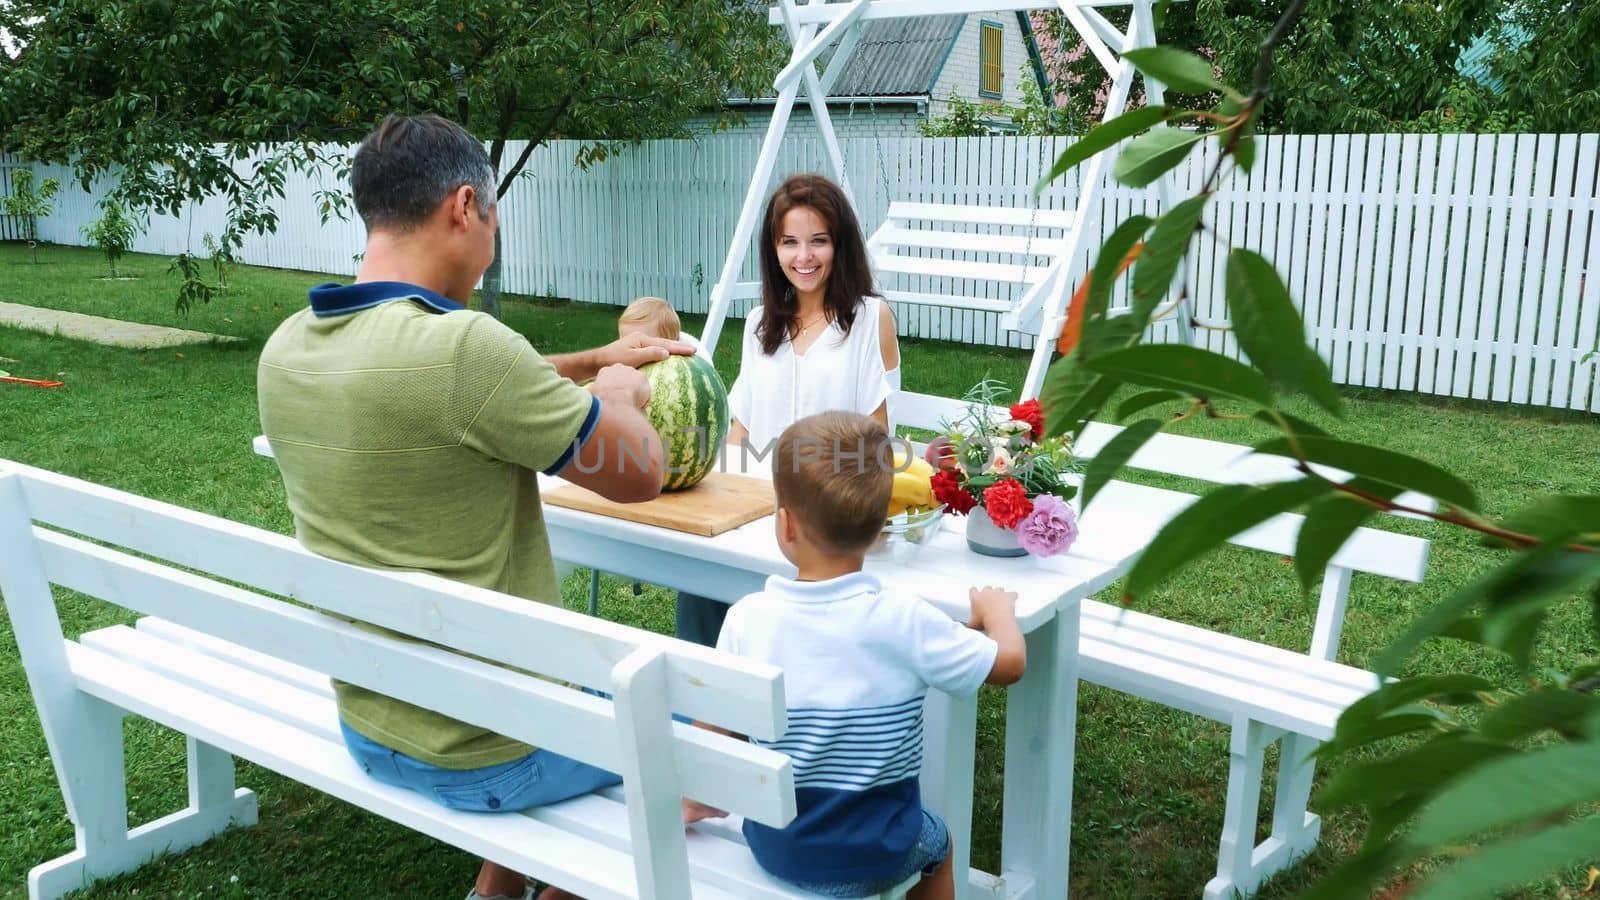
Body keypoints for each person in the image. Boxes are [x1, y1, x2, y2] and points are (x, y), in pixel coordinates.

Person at [257, 113, 694, 900]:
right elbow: (643, 471)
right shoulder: (465, 350)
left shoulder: (290, 345)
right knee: (713, 736)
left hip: (375, 722)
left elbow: (476, 385)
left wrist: (592, 359)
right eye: (495, 218)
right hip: (490, 747)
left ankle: (498, 885)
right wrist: (621, 389)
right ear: (466, 207)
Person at [681, 411, 1026, 900]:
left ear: (786, 524)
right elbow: (1009, 666)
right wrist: (999, 614)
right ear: (882, 523)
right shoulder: (907, 620)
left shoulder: (746, 619)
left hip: (779, 848)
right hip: (880, 853)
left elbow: (713, 733)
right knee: (940, 843)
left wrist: (697, 797)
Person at [676, 172, 901, 648]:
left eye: (818, 241)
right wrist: (716, 497)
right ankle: (704, 706)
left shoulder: (868, 320)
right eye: (789, 242)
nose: (803, 257)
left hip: (832, 516)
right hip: (762, 507)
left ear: (839, 247)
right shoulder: (761, 324)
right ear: (773, 249)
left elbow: (876, 444)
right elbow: (741, 431)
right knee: (698, 572)